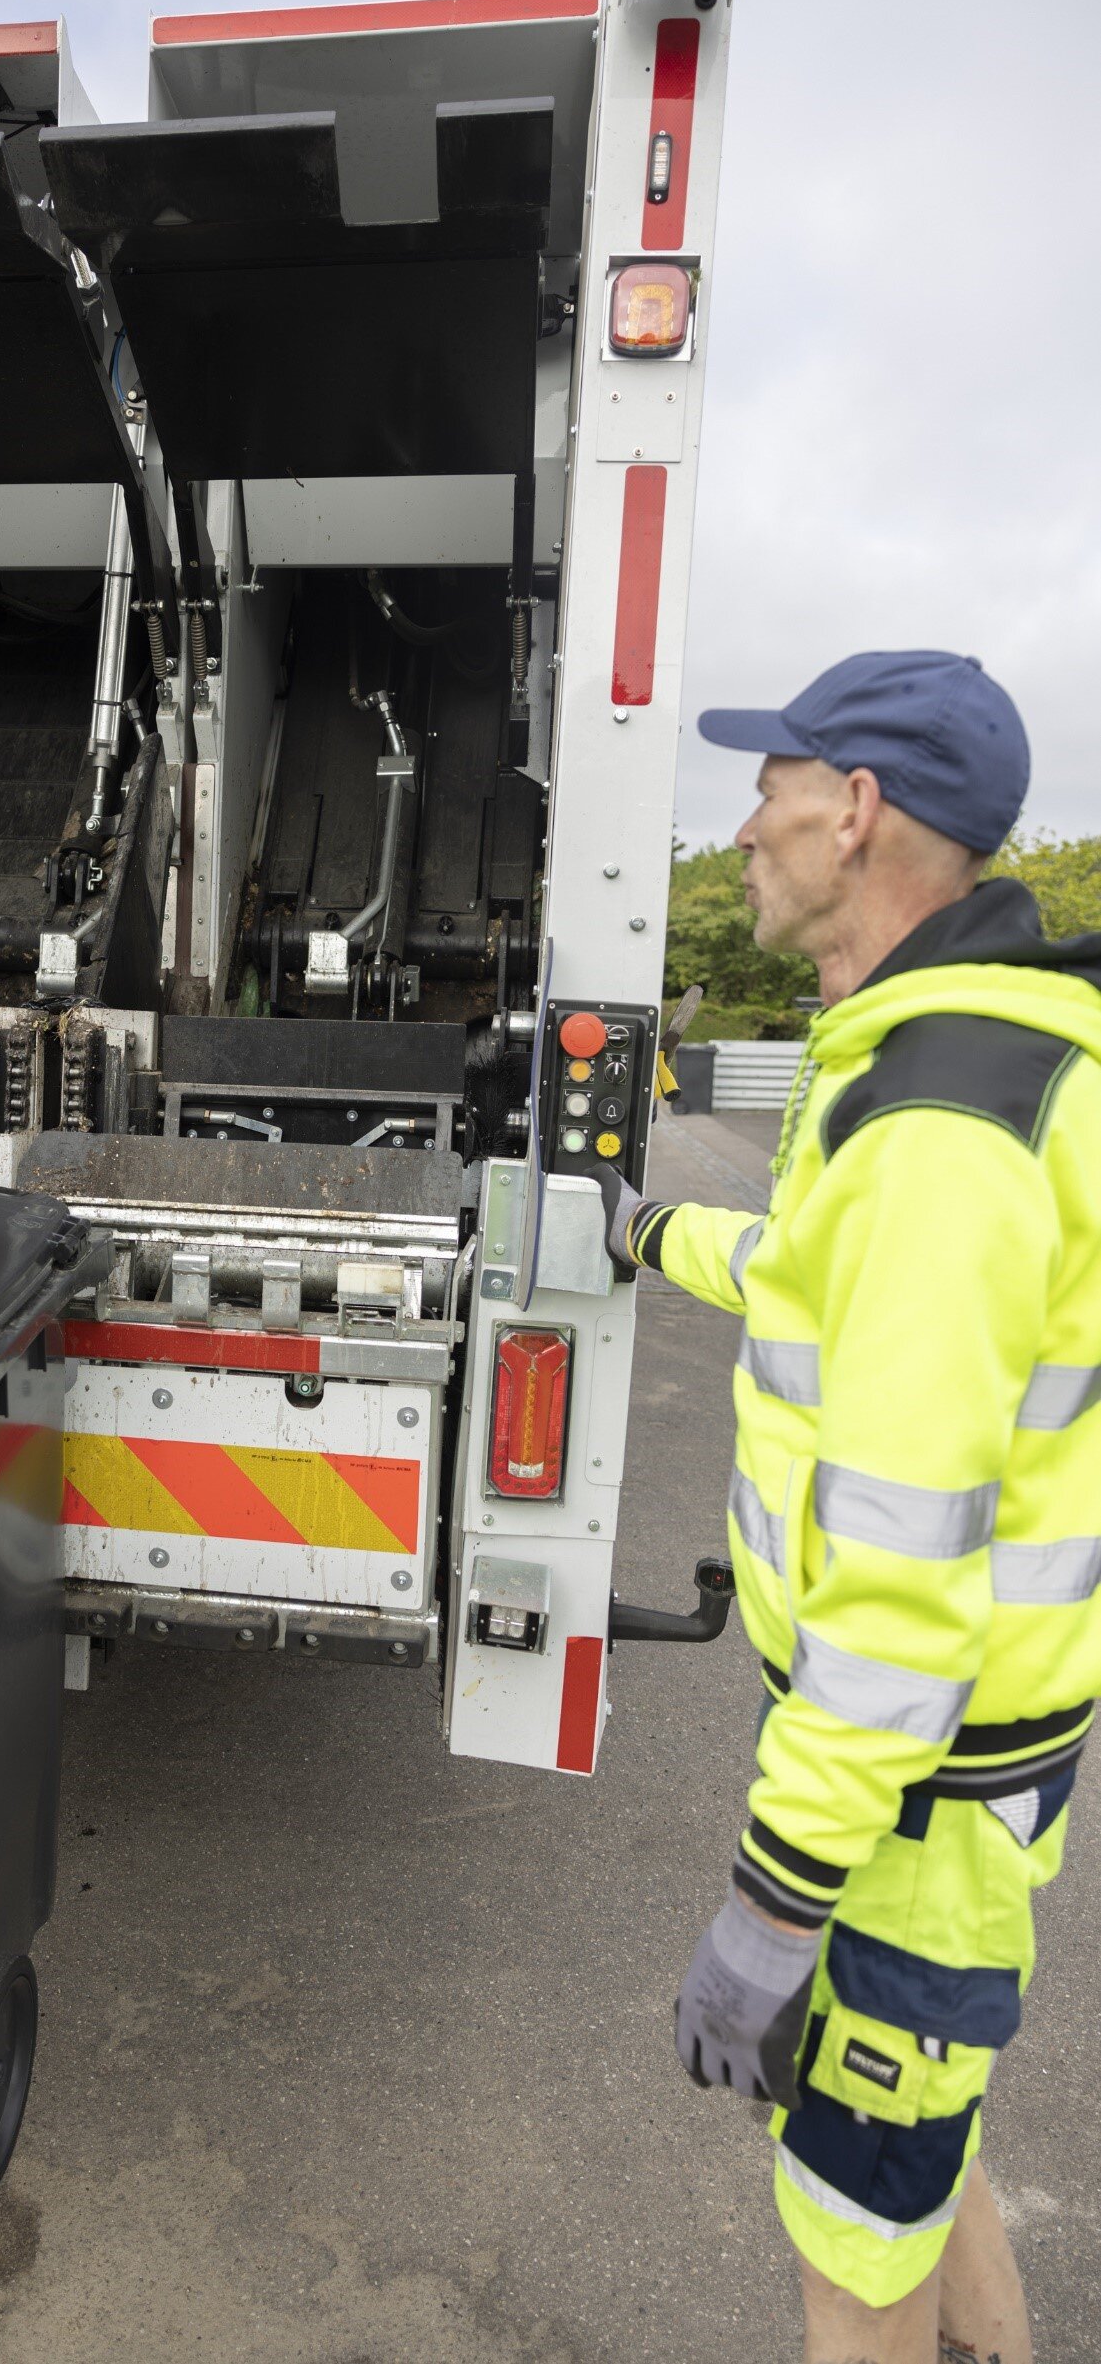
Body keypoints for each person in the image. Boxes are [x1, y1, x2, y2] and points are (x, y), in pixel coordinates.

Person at [596, 650, 1101, 2364]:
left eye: (770, 788)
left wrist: (771, 1899)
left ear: (857, 813)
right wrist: (641, 1233)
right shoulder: (932, 1066)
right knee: (910, 2181)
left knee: (846, 2269)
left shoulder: (940, 1123)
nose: (743, 828)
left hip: (907, 1800)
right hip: (947, 1770)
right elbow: (823, 1280)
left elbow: (901, 1578)